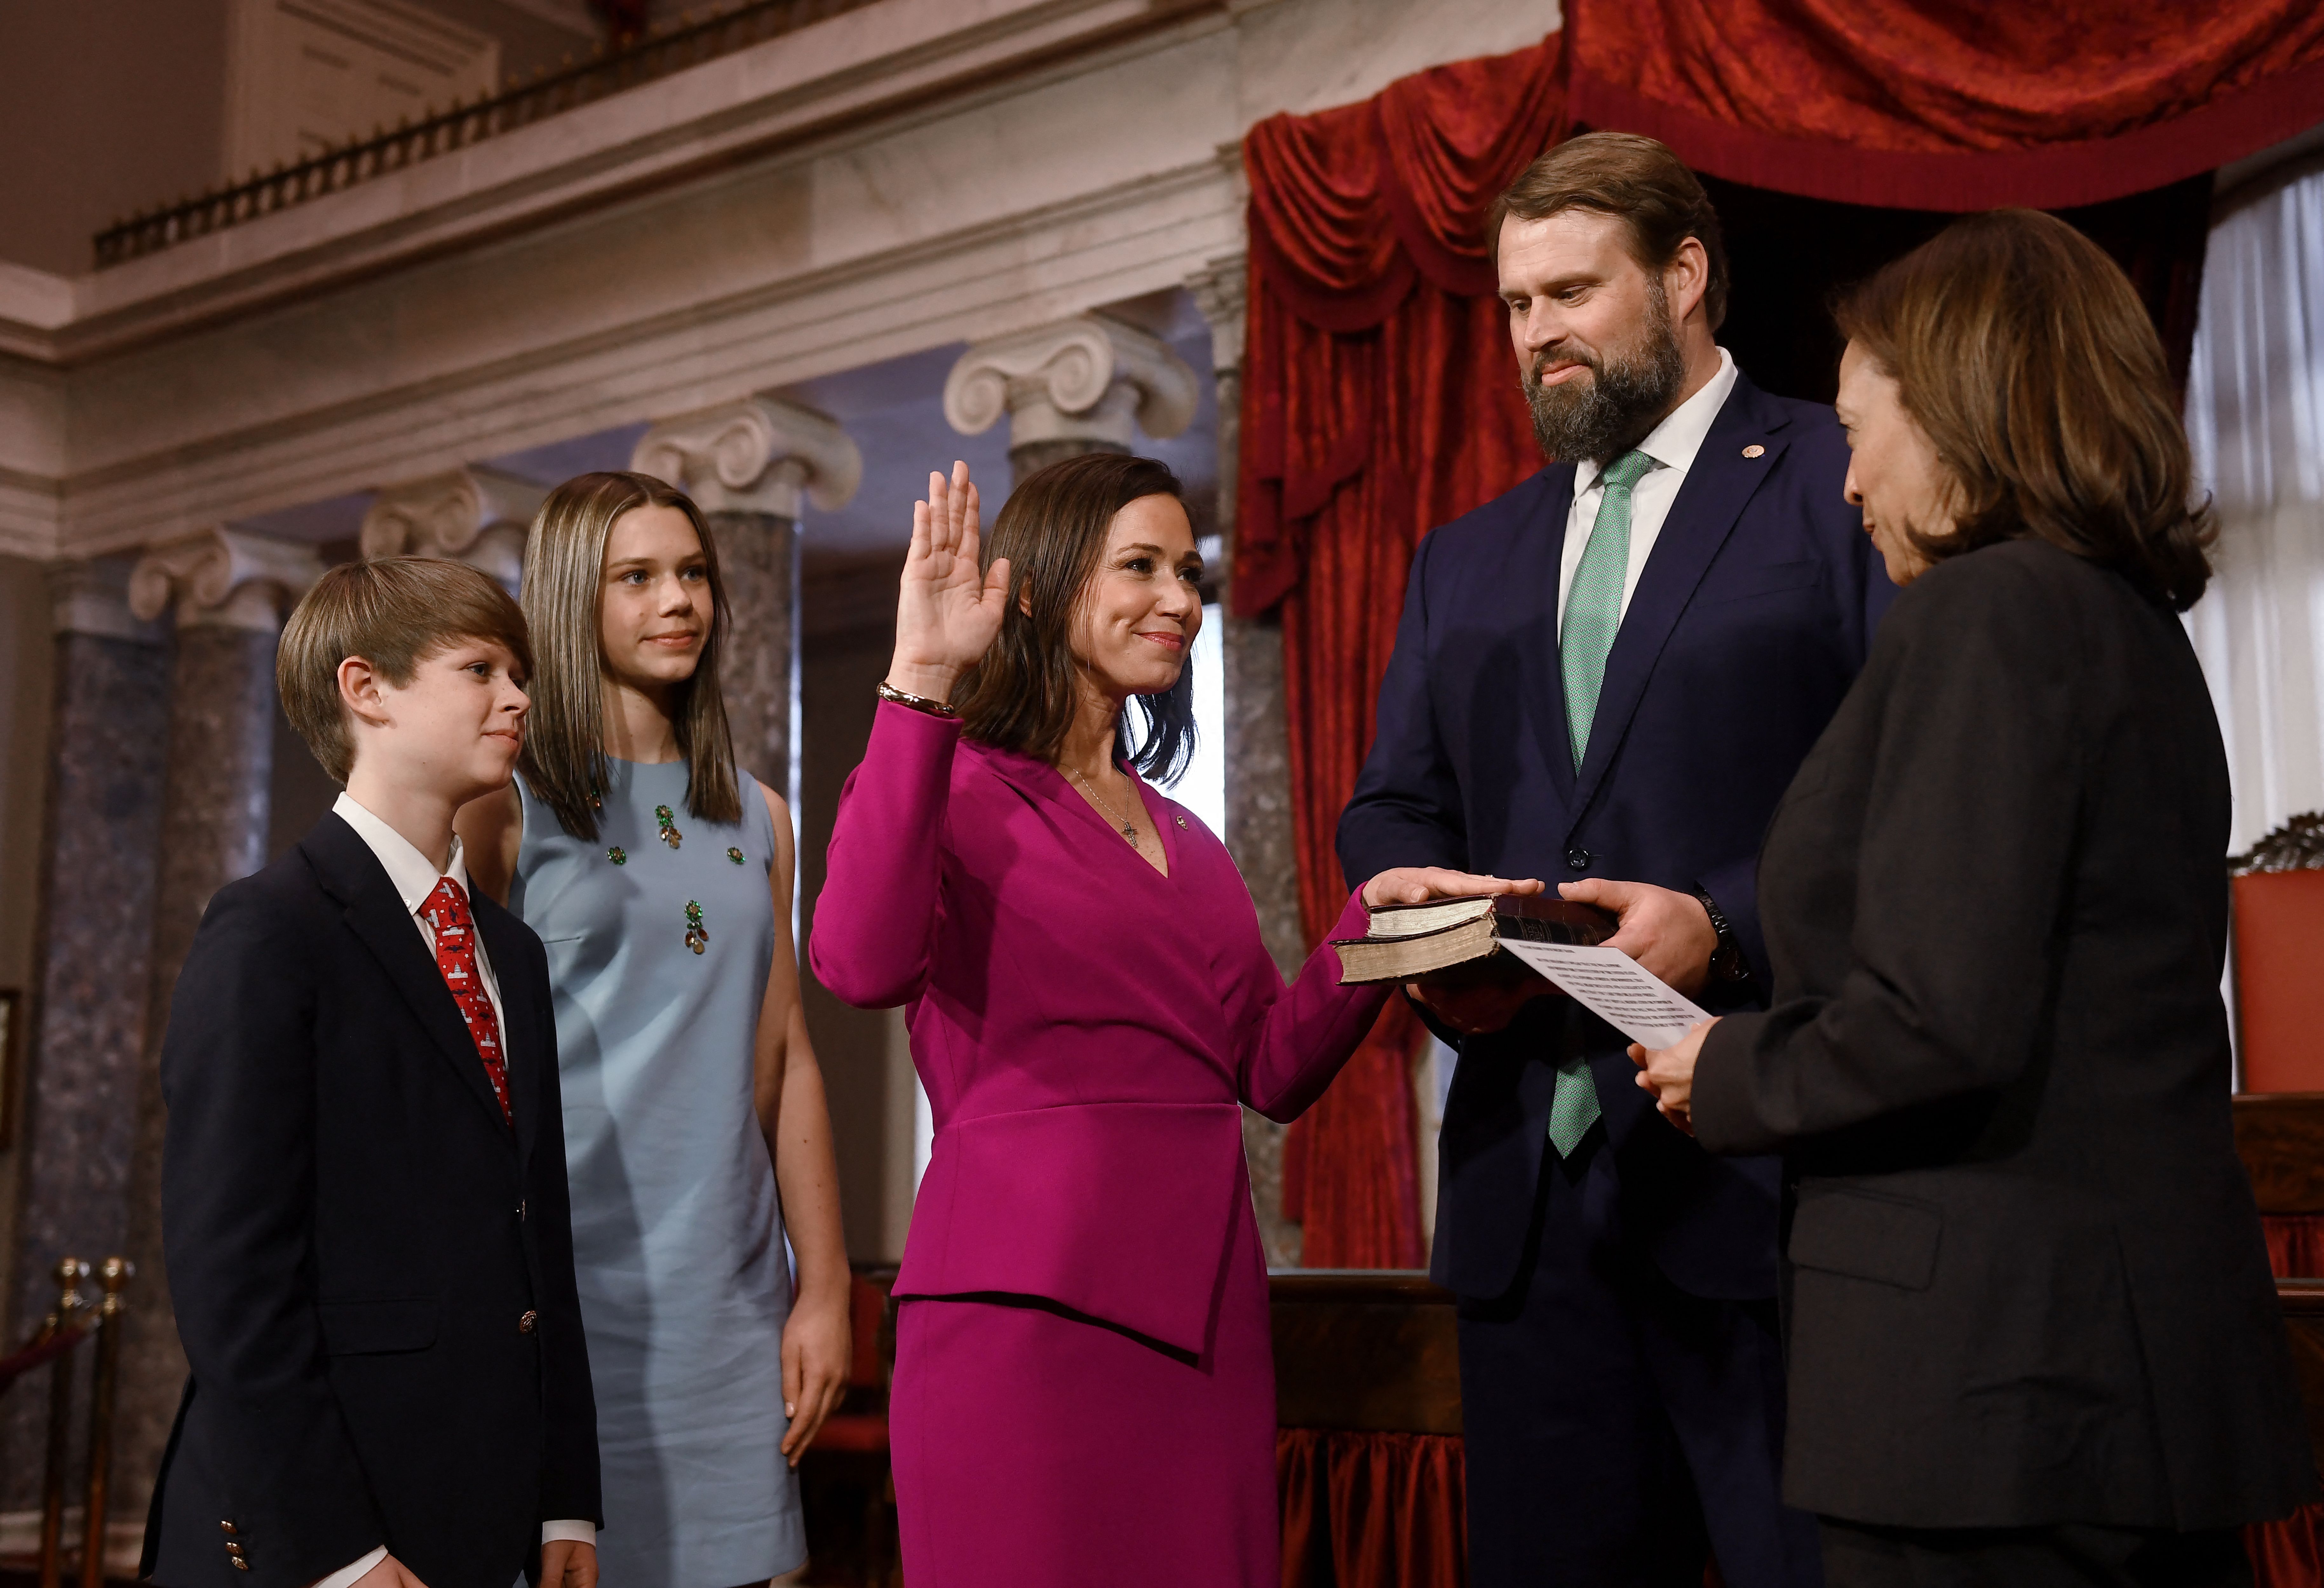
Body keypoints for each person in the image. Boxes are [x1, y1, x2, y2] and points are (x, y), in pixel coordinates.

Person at [1635, 209, 2319, 1587]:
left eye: (1853, 427)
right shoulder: (2123, 623)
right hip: (2111, 1379)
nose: (1844, 482)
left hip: (1988, 1390)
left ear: (1954, 414)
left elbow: (1938, 1014)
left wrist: (1725, 1068)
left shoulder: (1982, 615)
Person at [1336, 131, 1895, 1588]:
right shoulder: (1461, 558)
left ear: (1686, 276)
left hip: (1772, 1188)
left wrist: (1727, 920)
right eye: (1516, 305)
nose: (1537, 336)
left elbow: (1911, 799)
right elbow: (1391, 809)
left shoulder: (1840, 479)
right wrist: (1422, 920)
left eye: (1571, 292)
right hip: (1528, 1202)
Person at [810, 453, 1522, 1587]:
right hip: (1021, 1322)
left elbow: (1267, 1069)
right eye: (1138, 566)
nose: (1180, 601)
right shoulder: (945, 780)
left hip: (1205, 1324)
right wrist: (918, 680)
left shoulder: (1184, 839)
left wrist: (1375, 929)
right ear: (1038, 589)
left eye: (1187, 571)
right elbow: (856, 964)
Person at [145, 557, 599, 1588]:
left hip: (485, 1511)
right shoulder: (269, 930)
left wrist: (567, 1496)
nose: (519, 696)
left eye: (519, 670)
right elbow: (232, 1279)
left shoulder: (511, 953)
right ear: (367, 690)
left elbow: (542, 1240)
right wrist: (336, 1552)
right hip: (325, 1529)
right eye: (481, 668)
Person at [459, 471, 848, 1588]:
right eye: (637, 577)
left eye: (692, 574)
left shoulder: (760, 812)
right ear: (575, 598)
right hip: (560, 1307)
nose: (677, 599)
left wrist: (820, 1288)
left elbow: (787, 1058)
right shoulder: (506, 801)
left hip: (728, 1314)